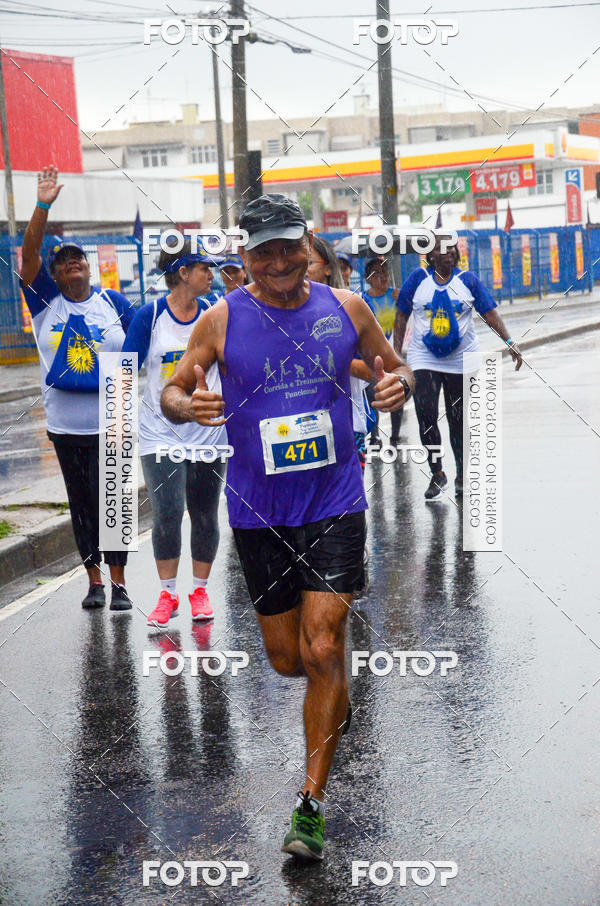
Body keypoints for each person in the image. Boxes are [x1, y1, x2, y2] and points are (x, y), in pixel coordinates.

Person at [160, 193, 413, 860]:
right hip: (257, 511)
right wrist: (188, 404)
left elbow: (394, 367)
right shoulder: (219, 321)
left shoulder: (345, 308)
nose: (277, 261)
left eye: (288, 247)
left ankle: (310, 806)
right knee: (287, 659)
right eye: (262, 250)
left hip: (335, 500)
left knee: (323, 645)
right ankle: (332, 691)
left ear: (307, 248)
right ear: (244, 257)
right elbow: (173, 388)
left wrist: (396, 387)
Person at [19, 165, 134, 610]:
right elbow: (28, 254)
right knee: (83, 505)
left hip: (114, 421)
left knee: (116, 504)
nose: (72, 263)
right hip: (66, 426)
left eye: (78, 258)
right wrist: (43, 205)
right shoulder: (46, 303)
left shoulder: (114, 303)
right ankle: (95, 582)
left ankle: (120, 583)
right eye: (63, 260)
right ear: (54, 273)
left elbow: (138, 349)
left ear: (89, 268)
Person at [122, 241, 227, 628]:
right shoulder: (149, 317)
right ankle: (167, 594)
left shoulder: (216, 313)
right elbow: (124, 372)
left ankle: (199, 590)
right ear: (183, 272)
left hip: (209, 435)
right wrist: (118, 430)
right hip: (159, 434)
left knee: (204, 514)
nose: (211, 275)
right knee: (167, 514)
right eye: (204, 268)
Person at [394, 236, 522, 501]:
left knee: (458, 419)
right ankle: (437, 472)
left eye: (453, 248)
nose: (449, 252)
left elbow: (490, 314)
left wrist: (509, 342)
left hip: (462, 357)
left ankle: (462, 476)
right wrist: (396, 356)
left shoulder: (468, 281)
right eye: (443, 249)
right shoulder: (418, 280)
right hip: (423, 357)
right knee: (426, 415)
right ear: (430, 256)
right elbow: (401, 315)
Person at [307, 234, 372, 471]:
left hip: (347, 426)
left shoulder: (354, 306)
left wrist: (331, 360)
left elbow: (373, 370)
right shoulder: (280, 313)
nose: (301, 269)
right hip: (300, 430)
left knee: (347, 505)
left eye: (309, 263)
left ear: (327, 269)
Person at [361, 256, 404, 447]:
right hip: (372, 354)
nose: (382, 276)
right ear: (368, 278)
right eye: (376, 273)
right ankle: (375, 435)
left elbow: (406, 320)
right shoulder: (362, 300)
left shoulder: (396, 295)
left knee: (396, 392)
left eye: (385, 272)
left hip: (395, 353)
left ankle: (395, 435)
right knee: (373, 394)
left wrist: (403, 300)